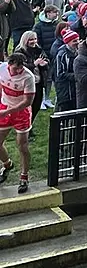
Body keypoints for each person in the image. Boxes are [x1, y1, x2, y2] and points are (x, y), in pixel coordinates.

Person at [0, 53, 36, 194]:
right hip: (5, 106)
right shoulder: (2, 68)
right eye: (15, 69)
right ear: (9, 65)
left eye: (20, 69)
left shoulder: (28, 77)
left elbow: (27, 101)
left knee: (22, 145)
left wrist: (8, 111)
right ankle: (7, 164)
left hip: (21, 112)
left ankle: (24, 176)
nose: (18, 72)